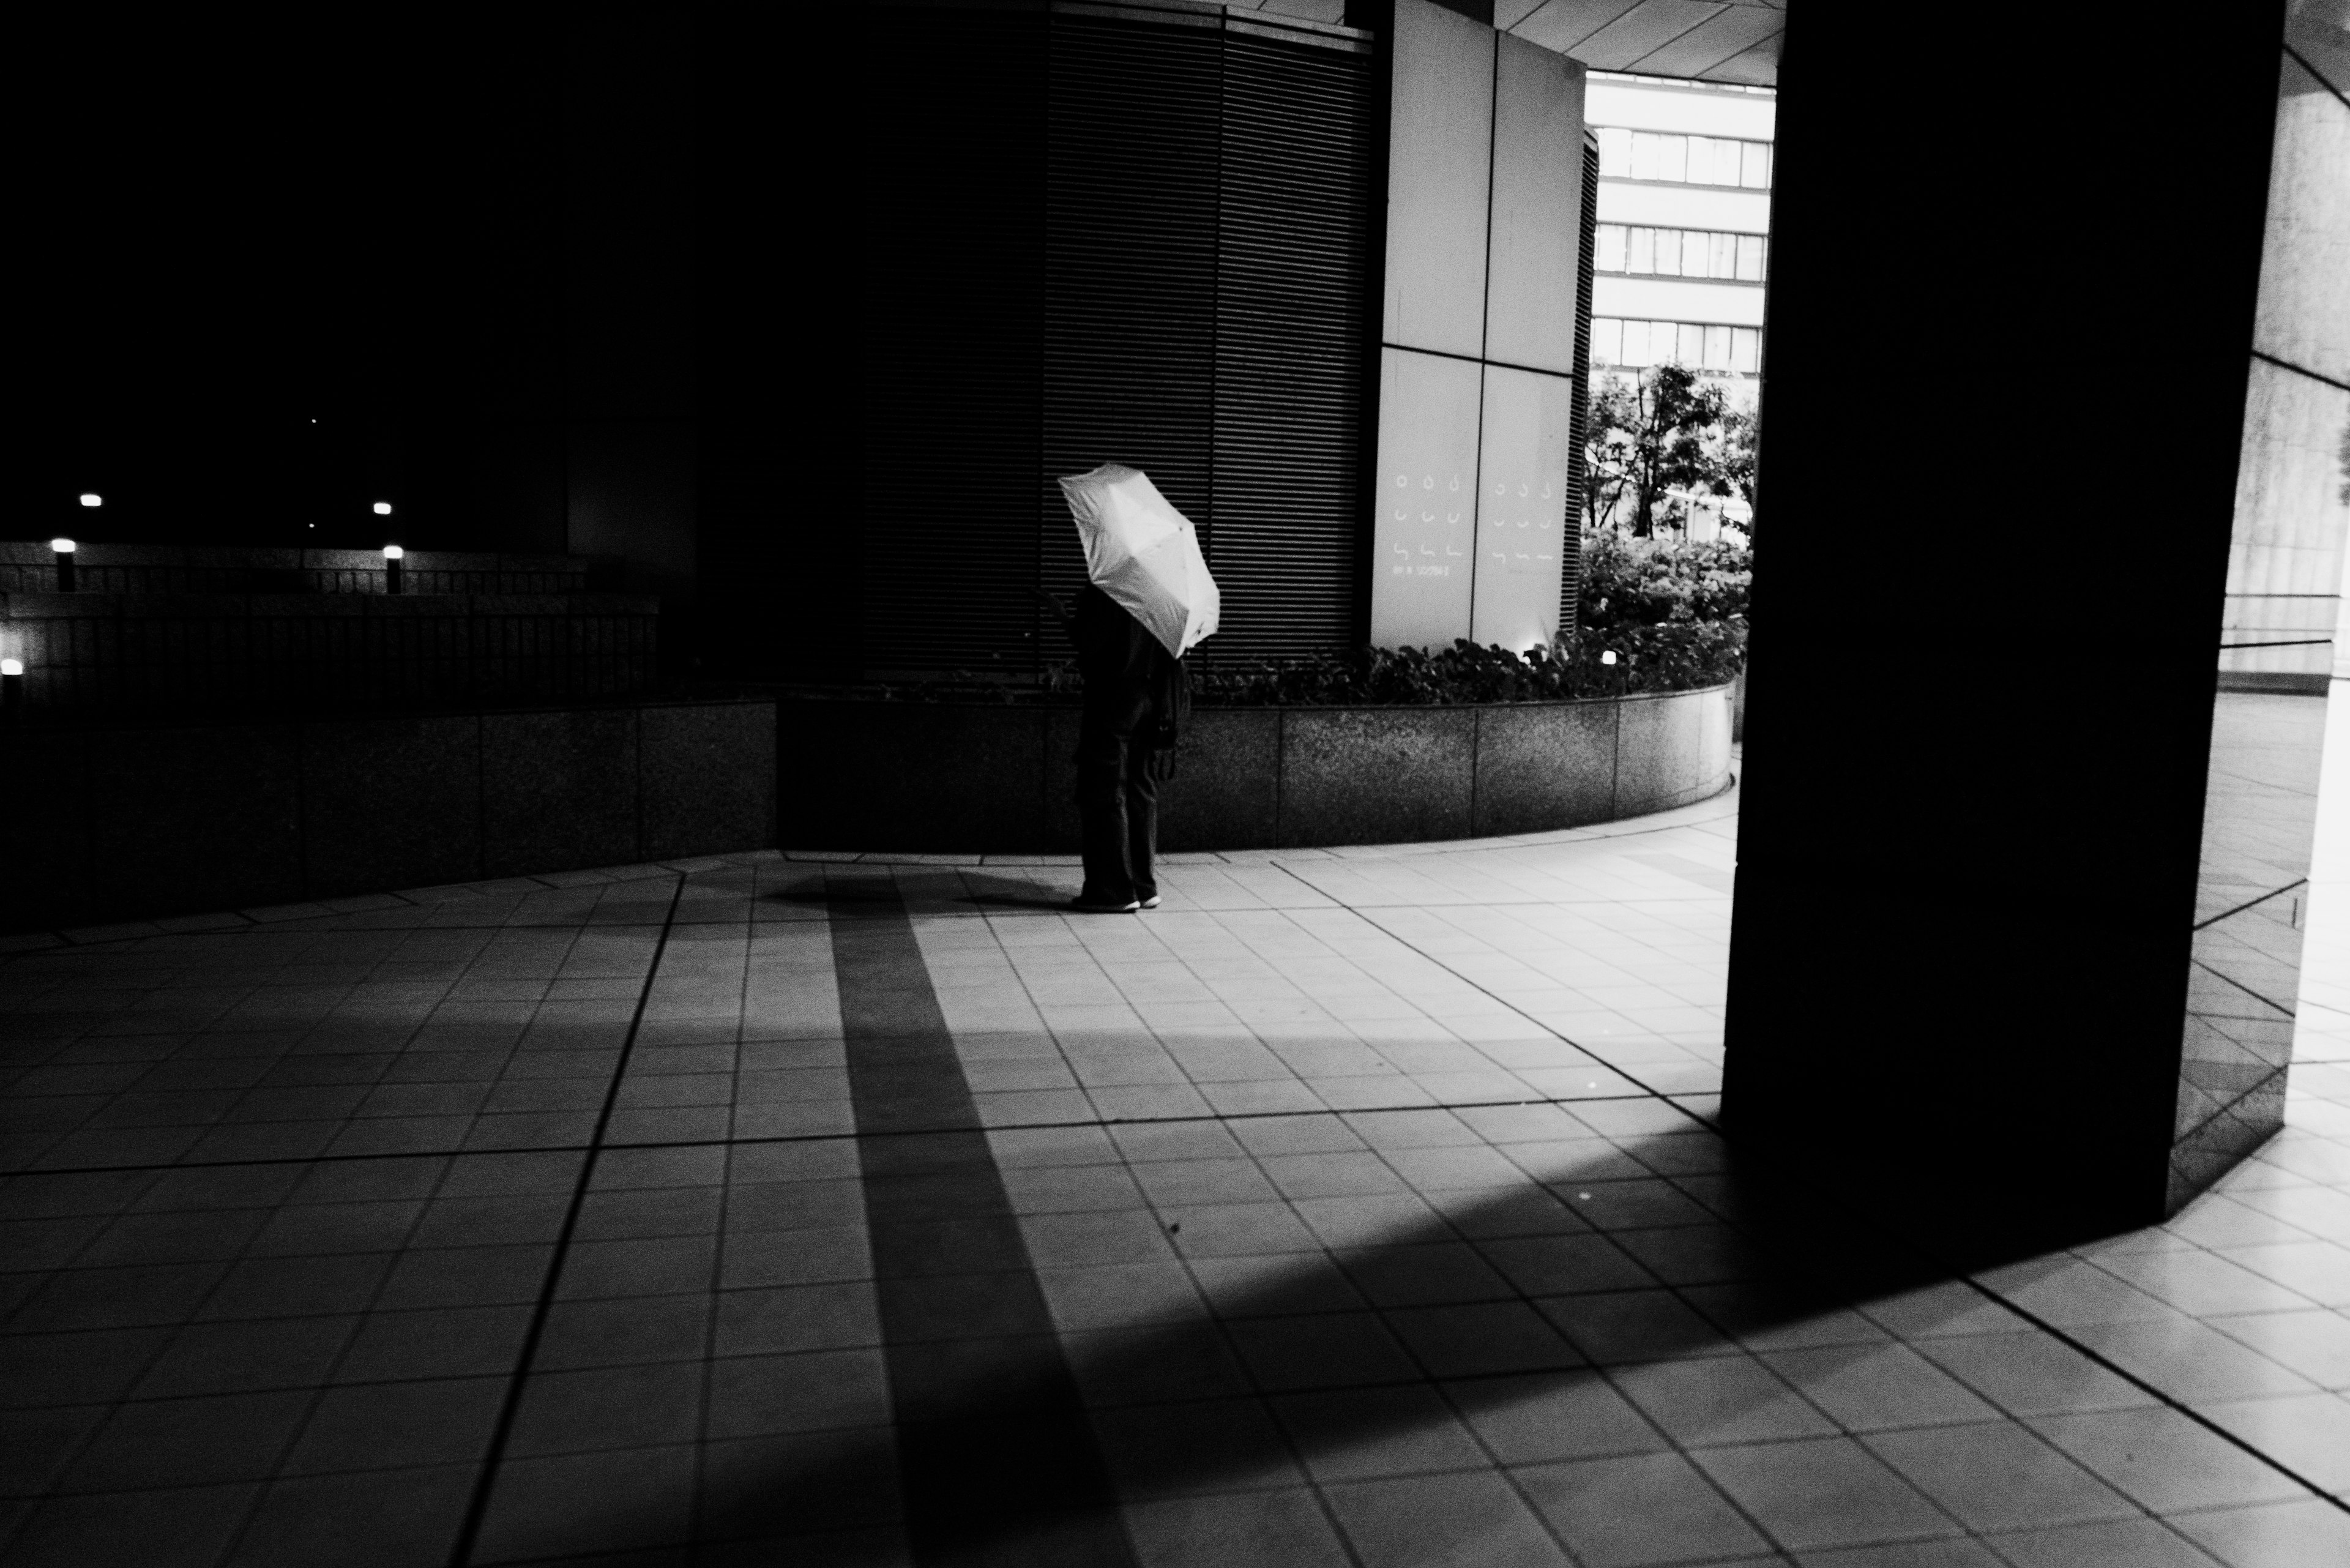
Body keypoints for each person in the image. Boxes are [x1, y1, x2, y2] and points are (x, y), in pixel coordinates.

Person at [1041, 584, 1188, 913]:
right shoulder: (1163, 589)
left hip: (1115, 698)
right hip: (1153, 700)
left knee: (1104, 789)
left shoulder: (1111, 587)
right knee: (1140, 788)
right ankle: (1142, 885)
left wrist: (1064, 616)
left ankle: (1112, 890)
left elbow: (1094, 645)